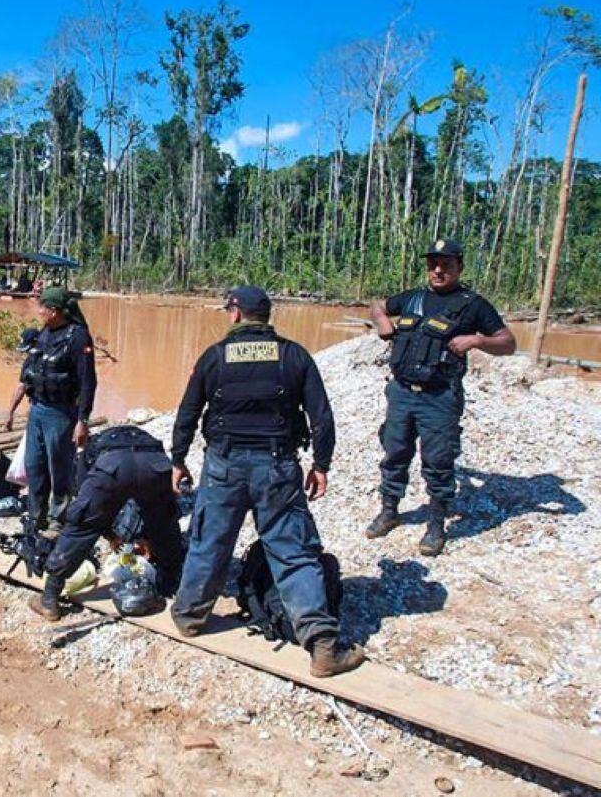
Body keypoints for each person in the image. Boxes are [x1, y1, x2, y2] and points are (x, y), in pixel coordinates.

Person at [169, 287, 364, 677]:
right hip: (277, 468)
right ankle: (323, 647)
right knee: (291, 551)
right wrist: (321, 464)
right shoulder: (294, 356)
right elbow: (321, 418)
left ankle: (190, 617)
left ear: (237, 314)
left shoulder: (214, 357)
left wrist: (178, 459)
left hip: (223, 465)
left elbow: (188, 412)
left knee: (210, 541)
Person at [366, 239, 516, 556]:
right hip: (402, 393)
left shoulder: (472, 304)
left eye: (445, 264)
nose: (437, 270)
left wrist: (476, 339)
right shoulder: (414, 298)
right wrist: (382, 321)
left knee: (438, 461)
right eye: (433, 264)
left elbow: (508, 343)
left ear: (459, 267)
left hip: (439, 397)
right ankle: (389, 510)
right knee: (394, 452)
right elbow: (378, 305)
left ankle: (436, 525)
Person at [29, 425, 185, 621]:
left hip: (114, 467)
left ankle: (49, 598)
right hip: (154, 464)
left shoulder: (89, 452)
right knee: (164, 521)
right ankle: (168, 584)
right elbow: (148, 507)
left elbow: (89, 511)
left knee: (80, 526)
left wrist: (108, 534)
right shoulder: (146, 439)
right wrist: (139, 536)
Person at [16, 286, 97, 531]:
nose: (39, 311)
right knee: (34, 466)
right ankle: (36, 515)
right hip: (38, 410)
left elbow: (88, 382)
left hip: (61, 414)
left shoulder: (78, 337)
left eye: (42, 307)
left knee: (59, 468)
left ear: (54, 311)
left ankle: (57, 519)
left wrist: (82, 420)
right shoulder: (45, 333)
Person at [3, 328, 41, 432]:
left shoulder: (57, 360)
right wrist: (10, 413)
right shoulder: (30, 361)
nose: (29, 352)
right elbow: (21, 387)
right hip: (36, 406)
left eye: (29, 348)